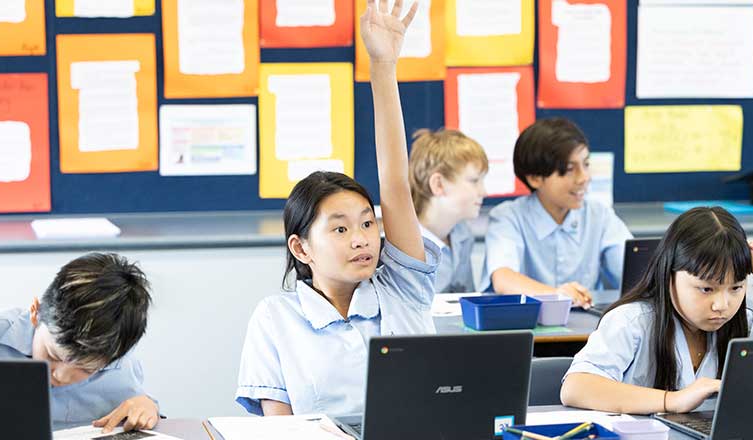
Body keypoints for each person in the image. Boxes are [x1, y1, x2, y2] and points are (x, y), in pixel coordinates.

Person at [235, 0, 440, 416]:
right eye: (340, 229)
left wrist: (383, 67)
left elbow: (396, 185)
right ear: (301, 248)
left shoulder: (403, 289)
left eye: (367, 223)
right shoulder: (276, 318)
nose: (362, 238)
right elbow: (282, 431)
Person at [560, 207, 753, 414]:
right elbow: (575, 387)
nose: (721, 305)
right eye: (706, 288)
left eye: (736, 288)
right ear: (669, 274)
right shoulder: (632, 321)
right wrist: (672, 401)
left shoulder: (743, 323)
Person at [0, 253, 157, 432]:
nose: (61, 376)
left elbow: (140, 406)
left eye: (86, 369)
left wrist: (148, 407)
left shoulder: (120, 365)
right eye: (52, 355)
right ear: (36, 313)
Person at [481, 118, 631, 307]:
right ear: (535, 178)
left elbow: (637, 274)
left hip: (588, 330)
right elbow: (503, 279)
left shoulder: (599, 215)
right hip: (528, 331)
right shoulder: (509, 217)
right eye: (569, 169)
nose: (584, 178)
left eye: (586, 164)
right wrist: (557, 296)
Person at [409, 128, 488, 292]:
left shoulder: (462, 234)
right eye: (474, 181)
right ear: (438, 184)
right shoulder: (405, 246)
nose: (484, 192)